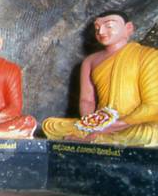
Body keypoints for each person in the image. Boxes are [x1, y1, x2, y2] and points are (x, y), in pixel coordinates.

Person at [43, 11, 158, 146]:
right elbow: (87, 100)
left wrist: (118, 124)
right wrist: (91, 124)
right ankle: (96, 138)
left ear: (128, 28)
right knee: (50, 125)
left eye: (109, 26)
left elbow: (153, 106)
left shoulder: (148, 56)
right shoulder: (90, 61)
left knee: (147, 133)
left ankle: (96, 139)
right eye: (97, 28)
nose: (101, 31)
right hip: (100, 122)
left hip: (133, 123)